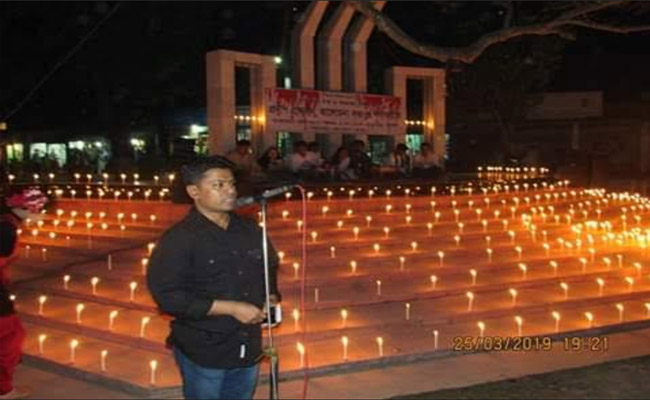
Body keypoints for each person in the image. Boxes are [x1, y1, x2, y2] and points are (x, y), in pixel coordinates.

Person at [146, 155, 281, 400]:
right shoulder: (178, 239)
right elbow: (168, 296)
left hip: (248, 341)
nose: (229, 191)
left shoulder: (251, 231)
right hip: (204, 345)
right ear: (194, 191)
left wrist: (270, 295)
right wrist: (230, 308)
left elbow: (269, 267)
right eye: (218, 185)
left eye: (231, 184)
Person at [1, 187, 49, 399]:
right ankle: (3, 389)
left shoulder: (6, 223)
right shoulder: (6, 229)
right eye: (37, 209)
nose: (40, 214)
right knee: (10, 336)